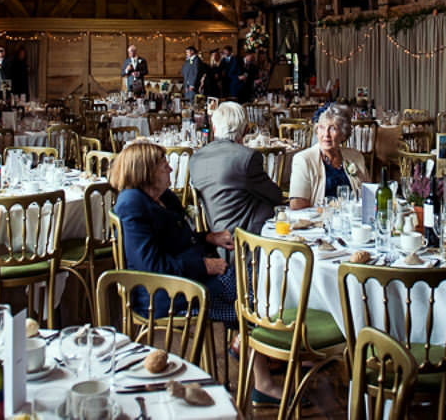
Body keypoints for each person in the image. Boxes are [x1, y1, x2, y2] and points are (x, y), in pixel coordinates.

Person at [111, 143, 288, 404]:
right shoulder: (132, 204)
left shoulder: (164, 197)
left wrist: (208, 237)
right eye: (163, 164)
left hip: (189, 281)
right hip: (163, 294)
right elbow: (151, 265)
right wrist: (203, 266)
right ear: (146, 171)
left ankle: (252, 355)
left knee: (249, 290)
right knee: (249, 298)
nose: (170, 167)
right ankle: (259, 371)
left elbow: (176, 241)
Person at [189, 101, 281, 239]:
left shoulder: (196, 158)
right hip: (247, 241)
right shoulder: (247, 158)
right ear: (245, 130)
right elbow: (275, 196)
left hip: (215, 237)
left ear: (214, 129)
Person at [289, 104, 369, 210]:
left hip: (352, 219)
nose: (326, 134)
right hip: (320, 221)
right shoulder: (304, 159)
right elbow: (297, 205)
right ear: (317, 131)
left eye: (333, 128)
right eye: (322, 127)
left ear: (343, 134)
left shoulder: (355, 157)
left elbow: (369, 195)